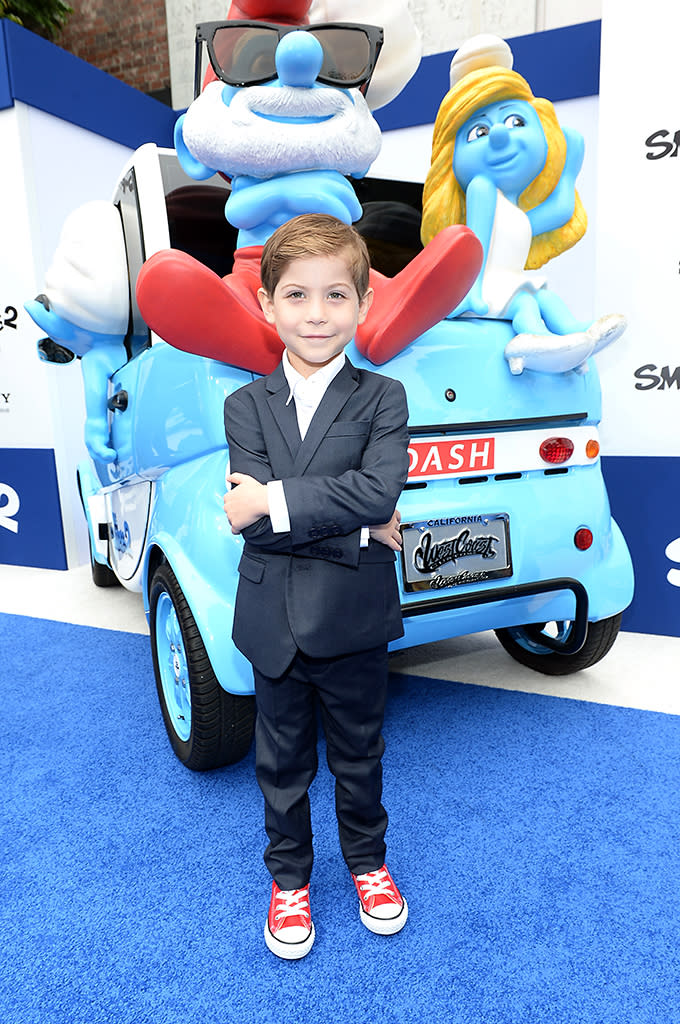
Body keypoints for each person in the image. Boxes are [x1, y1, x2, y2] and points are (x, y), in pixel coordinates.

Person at [222, 213, 410, 960]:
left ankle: (368, 866)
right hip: (271, 617)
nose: (317, 314)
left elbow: (380, 488)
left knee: (361, 753)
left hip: (354, 617)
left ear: (363, 302)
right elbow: (254, 523)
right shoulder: (245, 407)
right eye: (297, 295)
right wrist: (362, 527)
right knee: (282, 760)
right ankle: (289, 878)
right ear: (268, 305)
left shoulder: (383, 397)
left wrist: (273, 498)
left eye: (336, 295)